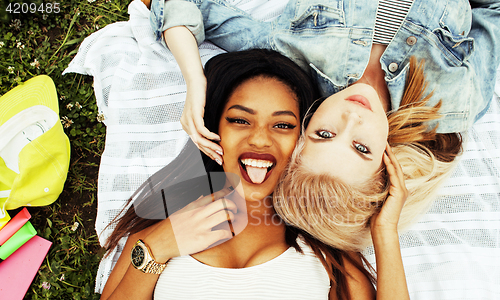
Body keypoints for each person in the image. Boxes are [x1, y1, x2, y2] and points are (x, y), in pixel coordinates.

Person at [93, 48, 416, 300]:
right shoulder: (163, 227)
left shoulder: (322, 244)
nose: (260, 138)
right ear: (213, 130)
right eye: (240, 120)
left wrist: (384, 231)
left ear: (302, 141)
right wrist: (158, 246)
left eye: (282, 125)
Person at [151, 0, 500, 250]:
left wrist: (195, 81)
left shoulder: (287, 58)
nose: (351, 117)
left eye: (325, 135)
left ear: (304, 130)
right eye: (361, 148)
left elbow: (178, 4)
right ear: (387, 163)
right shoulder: (452, 103)